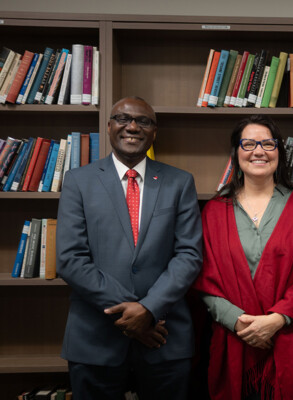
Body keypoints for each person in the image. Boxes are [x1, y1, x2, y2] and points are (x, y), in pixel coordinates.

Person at [56, 96, 202, 399]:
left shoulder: (180, 182)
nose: (132, 126)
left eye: (143, 121)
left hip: (165, 337)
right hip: (95, 337)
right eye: (123, 118)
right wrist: (134, 315)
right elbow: (70, 259)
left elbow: (189, 255)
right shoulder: (78, 181)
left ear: (154, 132)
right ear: (109, 127)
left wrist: (149, 310)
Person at [193, 115, 293, 400]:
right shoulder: (214, 211)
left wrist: (276, 320)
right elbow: (202, 277)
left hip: (288, 337)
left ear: (279, 151)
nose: (259, 151)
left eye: (268, 143)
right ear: (236, 152)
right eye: (249, 143)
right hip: (230, 338)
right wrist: (238, 321)